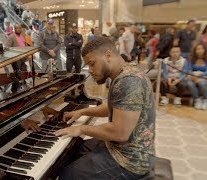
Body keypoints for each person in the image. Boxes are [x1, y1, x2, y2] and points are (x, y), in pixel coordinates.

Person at [53, 36, 155, 179]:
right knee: (74, 150)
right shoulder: (124, 72)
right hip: (119, 147)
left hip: (131, 159)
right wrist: (82, 111)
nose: (90, 70)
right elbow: (111, 107)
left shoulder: (129, 82)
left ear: (108, 55)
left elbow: (120, 133)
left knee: (68, 175)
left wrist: (81, 128)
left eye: (92, 64)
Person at [186, 44, 207, 110]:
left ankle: (205, 100)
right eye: (198, 49)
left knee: (202, 83)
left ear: (204, 50)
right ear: (195, 51)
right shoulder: (191, 58)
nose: (200, 50)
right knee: (189, 83)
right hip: (193, 77)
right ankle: (197, 99)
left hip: (204, 77)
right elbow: (189, 69)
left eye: (201, 48)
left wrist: (200, 75)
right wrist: (193, 76)